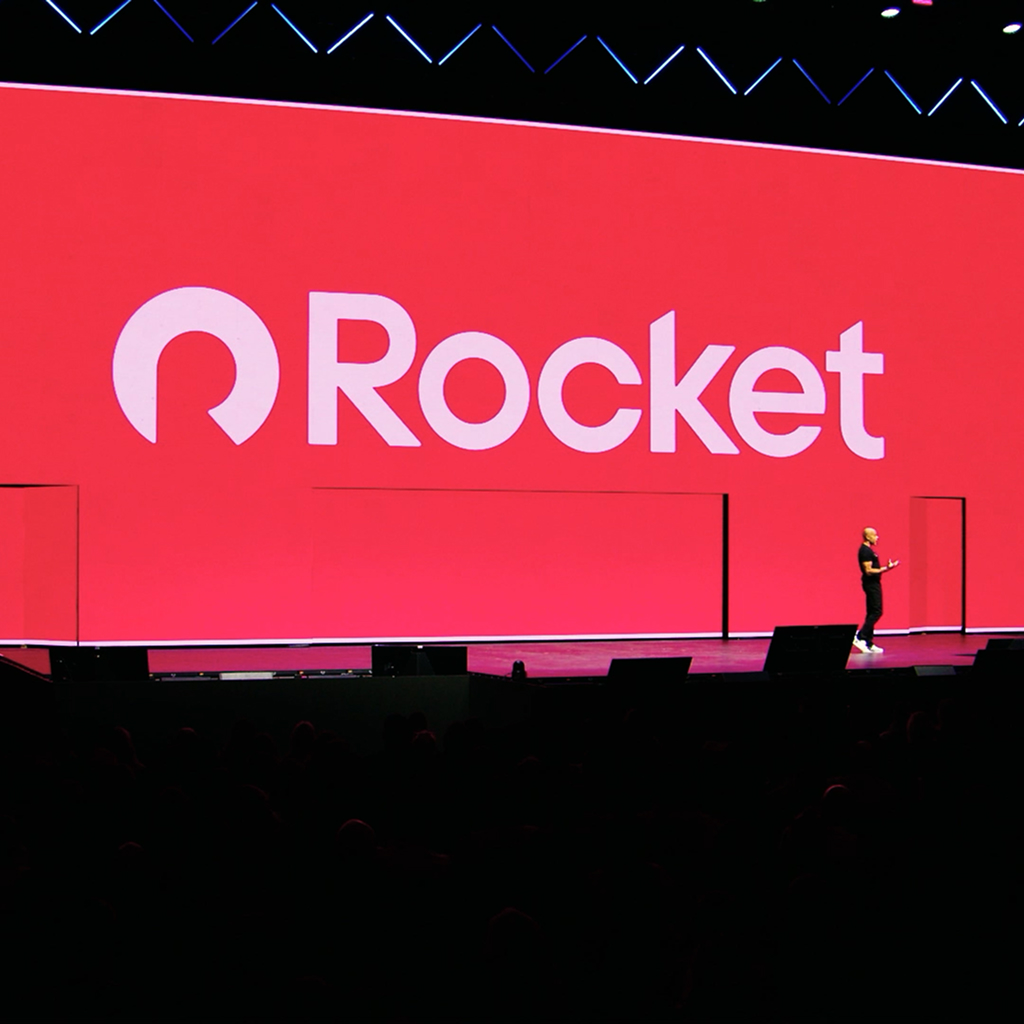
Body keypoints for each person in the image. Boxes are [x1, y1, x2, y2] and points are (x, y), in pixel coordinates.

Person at [852, 527, 899, 654]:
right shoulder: (865, 551)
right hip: (871, 584)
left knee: (871, 612)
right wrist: (886, 569)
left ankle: (868, 641)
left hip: (874, 583)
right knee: (877, 611)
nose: (877, 538)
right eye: (875, 535)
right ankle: (860, 636)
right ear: (868, 537)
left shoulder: (869, 551)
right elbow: (868, 571)